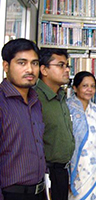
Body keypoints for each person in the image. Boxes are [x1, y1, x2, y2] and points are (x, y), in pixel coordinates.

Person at [0, 38, 46, 200]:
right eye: (22, 63)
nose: (30, 69)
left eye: (34, 63)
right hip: (12, 194)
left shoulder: (35, 101)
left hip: (39, 192)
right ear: (6, 66)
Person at [34, 48, 75, 200]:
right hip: (45, 173)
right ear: (44, 69)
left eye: (67, 65)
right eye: (61, 65)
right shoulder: (35, 98)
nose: (67, 70)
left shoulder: (61, 96)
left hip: (61, 171)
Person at [67, 71, 96, 200]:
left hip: (92, 164)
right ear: (75, 88)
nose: (89, 90)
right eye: (85, 86)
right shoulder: (67, 108)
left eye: (92, 86)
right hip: (74, 164)